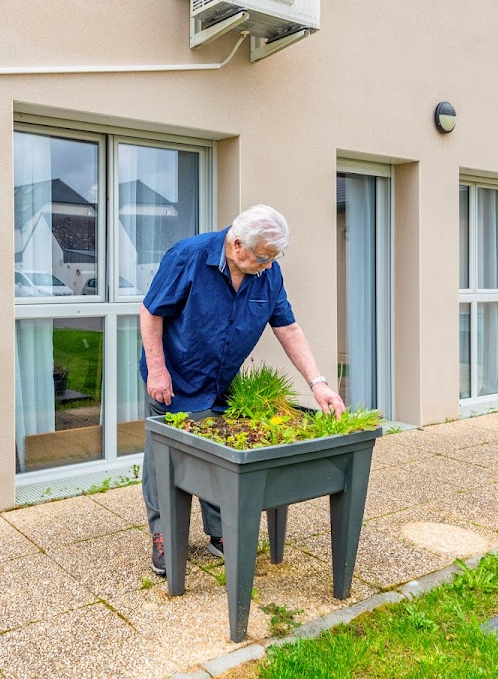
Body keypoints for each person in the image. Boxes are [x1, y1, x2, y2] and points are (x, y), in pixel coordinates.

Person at [139, 204, 346, 576]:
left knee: (220, 458)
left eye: (273, 257)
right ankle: (165, 534)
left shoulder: (268, 273)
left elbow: (288, 328)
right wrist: (157, 370)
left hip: (221, 380)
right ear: (237, 245)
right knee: (164, 460)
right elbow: (151, 311)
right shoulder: (187, 256)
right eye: (262, 257)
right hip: (173, 378)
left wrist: (319, 384)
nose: (268, 266)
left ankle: (219, 532)